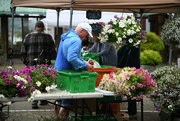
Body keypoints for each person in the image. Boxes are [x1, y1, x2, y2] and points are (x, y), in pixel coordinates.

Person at [54, 22, 94, 119]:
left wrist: (81, 61)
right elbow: (71, 58)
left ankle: (55, 119)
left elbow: (69, 55)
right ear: (82, 31)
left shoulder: (66, 37)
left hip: (59, 72)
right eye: (86, 34)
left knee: (59, 100)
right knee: (67, 103)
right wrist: (85, 65)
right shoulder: (76, 40)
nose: (86, 37)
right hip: (68, 74)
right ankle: (62, 120)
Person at [21, 20, 57, 109]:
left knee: (33, 81)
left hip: (31, 63)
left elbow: (22, 51)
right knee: (44, 80)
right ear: (43, 28)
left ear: (35, 27)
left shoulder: (28, 36)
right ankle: (43, 100)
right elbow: (53, 52)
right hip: (44, 63)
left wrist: (26, 61)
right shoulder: (48, 37)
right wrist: (50, 61)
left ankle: (34, 101)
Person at [117, 43, 140, 120]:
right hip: (129, 69)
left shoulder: (132, 46)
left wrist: (119, 66)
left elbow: (125, 55)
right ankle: (131, 112)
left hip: (131, 70)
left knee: (131, 91)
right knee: (131, 91)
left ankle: (132, 113)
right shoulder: (127, 46)